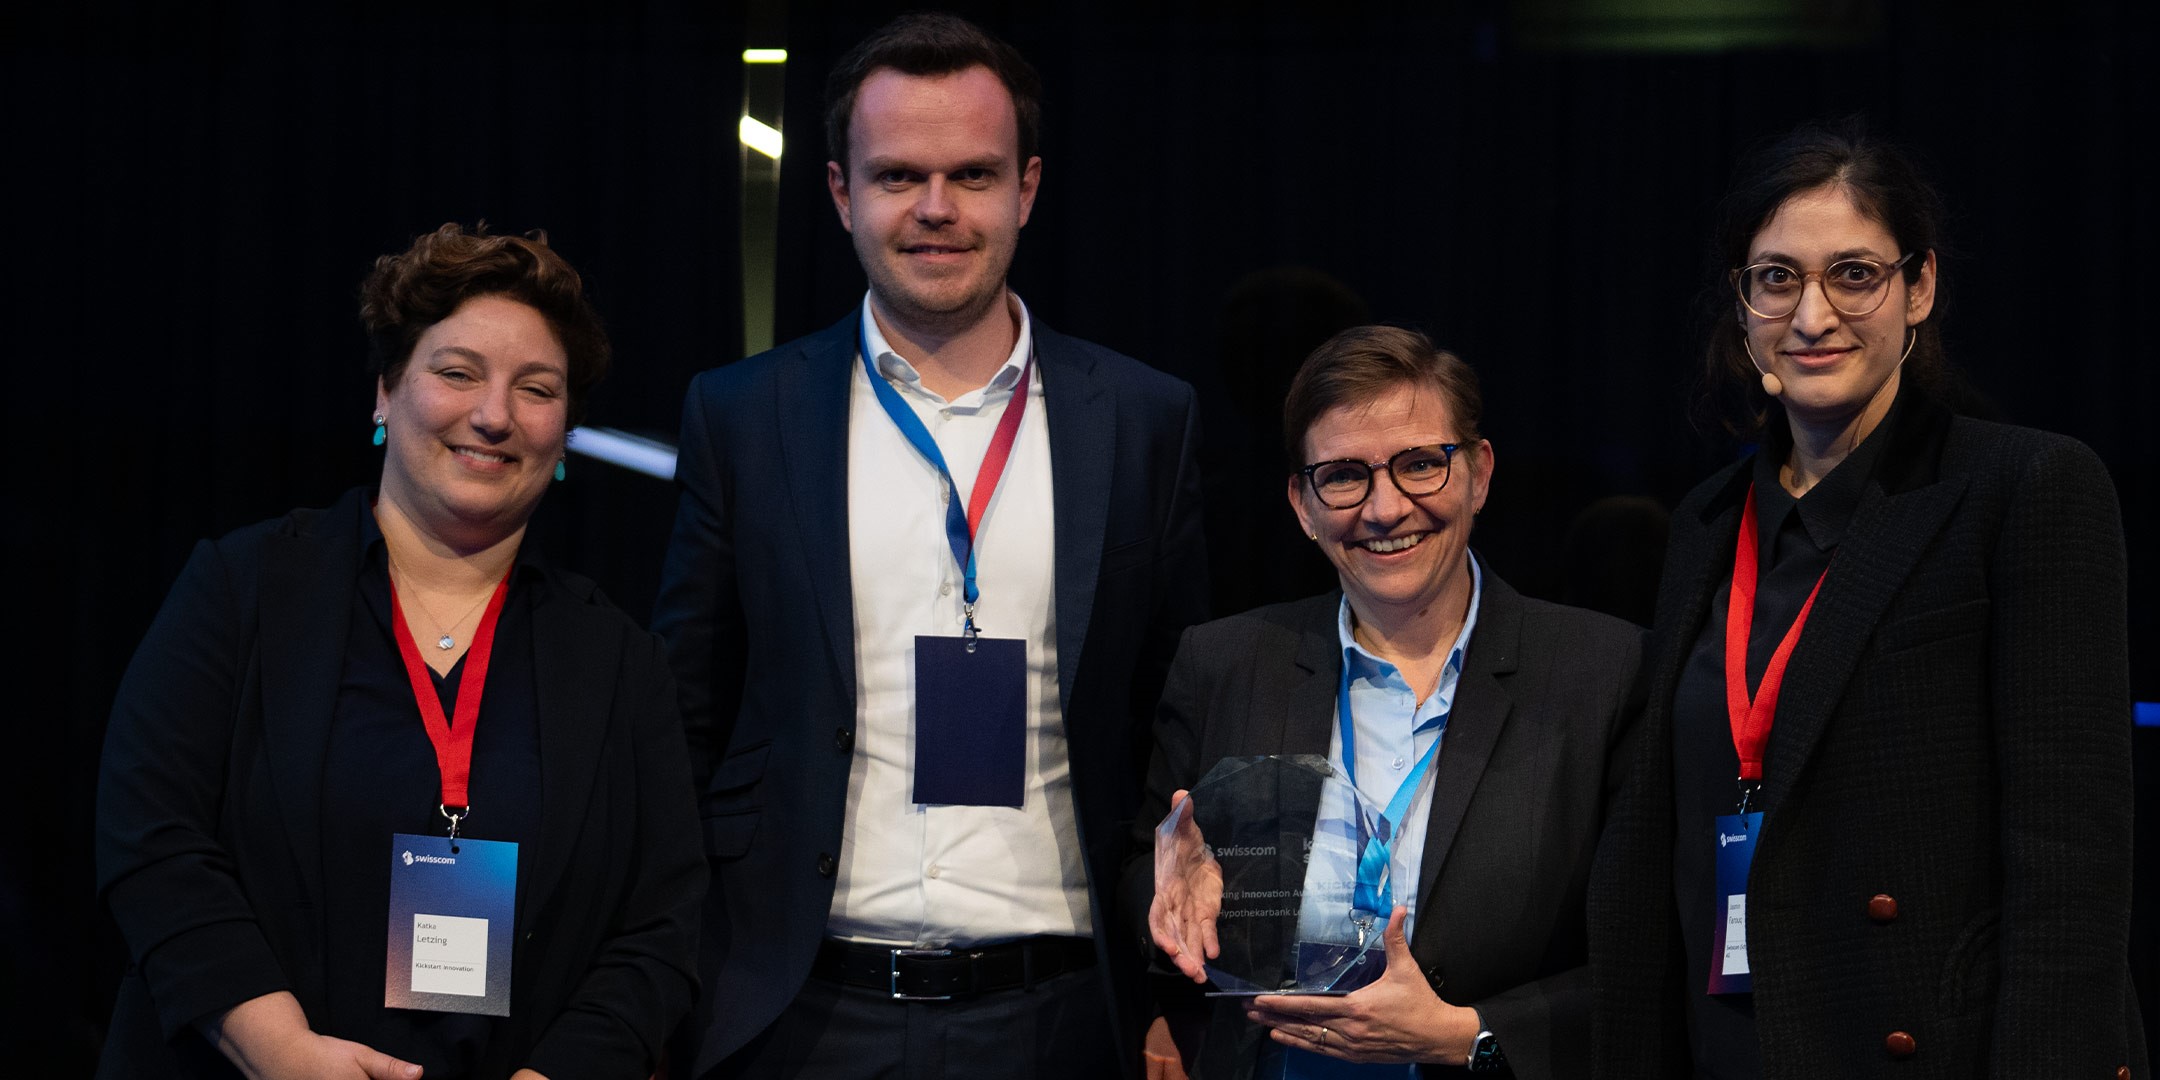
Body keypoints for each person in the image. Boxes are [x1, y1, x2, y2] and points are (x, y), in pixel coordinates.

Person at [652, 12, 1208, 1080]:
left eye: (974, 175)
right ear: (840, 192)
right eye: (900, 175)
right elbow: (687, 716)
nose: (938, 209)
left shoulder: (1142, 420)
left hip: (1062, 1020)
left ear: (1028, 189)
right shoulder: (745, 415)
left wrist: (1166, 999)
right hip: (794, 1014)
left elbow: (1175, 728)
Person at [1586, 120, 2150, 1078]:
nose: (1812, 316)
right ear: (1741, 299)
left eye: (1853, 274)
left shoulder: (2026, 488)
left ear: (1918, 285)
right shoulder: (1707, 522)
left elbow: (2072, 864)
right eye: (1777, 278)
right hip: (1730, 1041)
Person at [95, 224, 705, 1080]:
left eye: (536, 389)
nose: (494, 415)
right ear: (385, 394)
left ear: (564, 434)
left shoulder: (617, 660)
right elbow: (150, 838)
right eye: (456, 373)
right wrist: (276, 1049)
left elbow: (663, 922)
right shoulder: (243, 589)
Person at [1134, 326, 1644, 1079]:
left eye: (1418, 465)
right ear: (1303, 506)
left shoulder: (1606, 673)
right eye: (1343, 475)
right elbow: (1139, 873)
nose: (1384, 508)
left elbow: (1647, 957)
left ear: (1478, 472)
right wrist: (1170, 909)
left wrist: (1470, 1036)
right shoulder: (1226, 665)